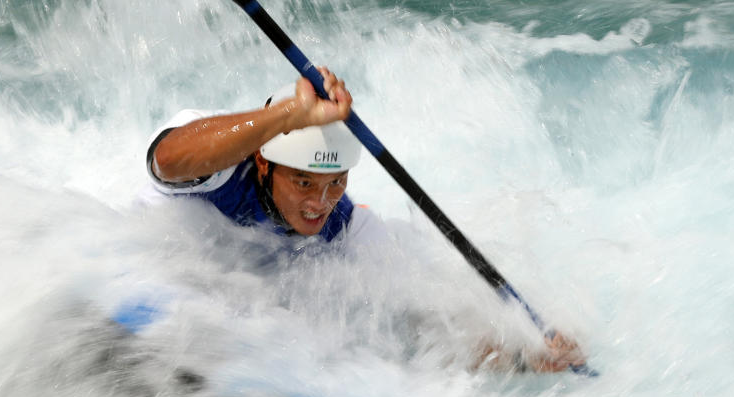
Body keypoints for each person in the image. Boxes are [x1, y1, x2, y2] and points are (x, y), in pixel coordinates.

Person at [145, 69, 586, 373]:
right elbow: (167, 160)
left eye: (336, 183)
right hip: (152, 277)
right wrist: (288, 116)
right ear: (264, 163)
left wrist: (526, 357)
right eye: (303, 183)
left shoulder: (348, 228)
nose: (321, 203)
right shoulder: (220, 162)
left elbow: (421, 329)